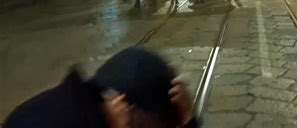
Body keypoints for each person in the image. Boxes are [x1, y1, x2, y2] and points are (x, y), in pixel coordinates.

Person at [3, 47, 199, 128]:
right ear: (128, 111)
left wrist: (186, 118)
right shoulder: (62, 121)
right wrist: (187, 121)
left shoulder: (85, 103)